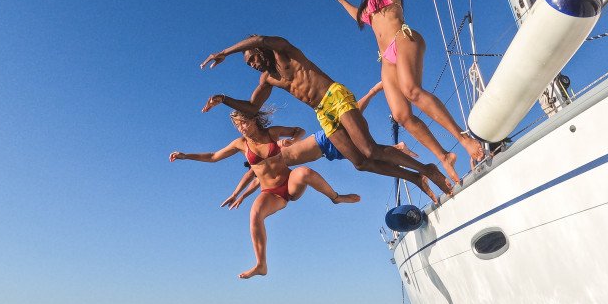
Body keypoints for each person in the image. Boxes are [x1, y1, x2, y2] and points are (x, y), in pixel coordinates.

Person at [338, 0, 488, 183]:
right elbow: (356, 15)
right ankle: (445, 156)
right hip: (386, 58)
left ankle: (466, 139)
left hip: (404, 39)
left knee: (412, 90)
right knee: (401, 116)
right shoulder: (366, 8)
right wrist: (341, 0)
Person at [200, 34, 452, 202]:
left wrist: (225, 52)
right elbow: (253, 107)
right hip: (322, 112)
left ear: (258, 50)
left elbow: (260, 38)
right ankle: (415, 177)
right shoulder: (267, 78)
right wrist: (224, 99)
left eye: (252, 58)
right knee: (360, 163)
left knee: (369, 149)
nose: (253, 64)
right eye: (249, 64)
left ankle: (427, 169)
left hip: (334, 95)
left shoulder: (282, 53)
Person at [170, 109, 359, 279]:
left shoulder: (271, 133)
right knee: (255, 214)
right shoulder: (240, 144)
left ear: (254, 120)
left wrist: (292, 142)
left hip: (290, 182)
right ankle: (261, 264)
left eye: (244, 122)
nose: (241, 128)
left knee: (304, 172)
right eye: (237, 125)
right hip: (272, 193)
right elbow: (213, 157)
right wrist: (186, 156)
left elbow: (299, 130)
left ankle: (336, 198)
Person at [222, 82, 417, 209]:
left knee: (350, 119)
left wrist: (237, 194)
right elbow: (257, 181)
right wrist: (240, 197)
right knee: (367, 154)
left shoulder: (270, 151)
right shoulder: (266, 170)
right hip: (328, 152)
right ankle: (398, 148)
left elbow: (251, 178)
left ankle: (374, 90)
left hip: (322, 141)